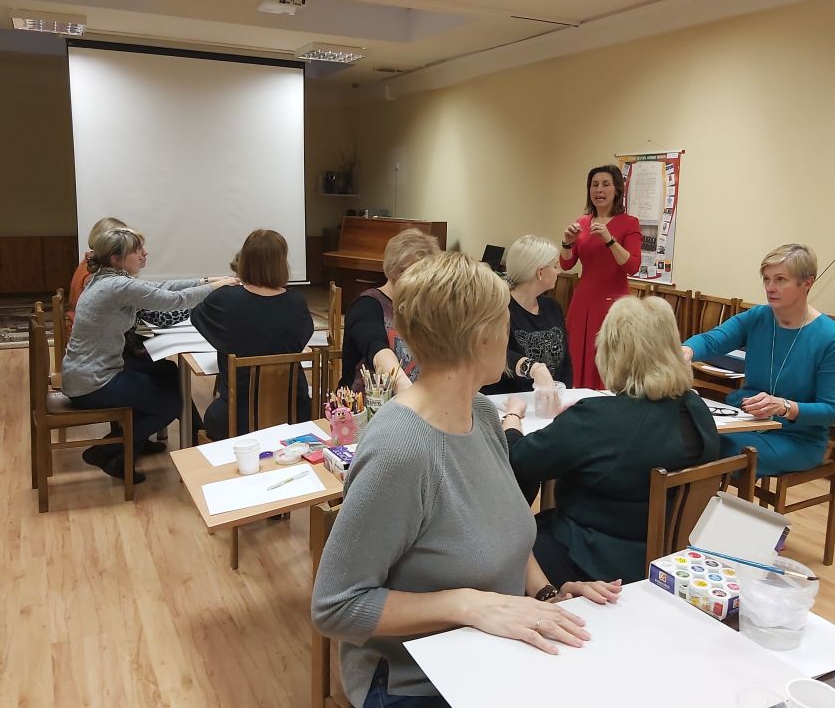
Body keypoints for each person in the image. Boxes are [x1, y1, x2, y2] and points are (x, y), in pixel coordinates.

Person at [312, 252, 622, 708]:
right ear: (481, 339)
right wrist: (469, 605)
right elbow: (336, 606)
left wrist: (548, 595)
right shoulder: (401, 448)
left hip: (492, 655)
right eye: (505, 323)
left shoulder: (481, 413)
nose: (510, 336)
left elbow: (504, 530)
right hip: (417, 681)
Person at [504, 296, 719, 586]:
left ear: (612, 351)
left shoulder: (599, 419)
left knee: (504, 545)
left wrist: (512, 419)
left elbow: (521, 461)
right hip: (673, 556)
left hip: (595, 561)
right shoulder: (696, 408)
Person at [63, 228, 237, 482]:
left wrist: (205, 280)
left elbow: (161, 287)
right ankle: (108, 450)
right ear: (116, 258)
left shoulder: (106, 278)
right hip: (92, 382)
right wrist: (214, 288)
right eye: (137, 251)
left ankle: (142, 444)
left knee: (168, 372)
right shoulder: (117, 285)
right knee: (169, 404)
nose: (144, 254)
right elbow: (172, 300)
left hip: (89, 372)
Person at [682, 243, 835, 477]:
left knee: (717, 447)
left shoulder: (830, 337)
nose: (770, 288)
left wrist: (785, 407)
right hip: (747, 421)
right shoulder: (758, 317)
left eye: (780, 279)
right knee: (687, 434)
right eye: (766, 279)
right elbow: (714, 339)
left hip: (796, 439)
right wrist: (687, 350)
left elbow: (831, 410)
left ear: (807, 283)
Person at [191, 229, 314, 439]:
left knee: (210, 417)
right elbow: (300, 338)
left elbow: (198, 317)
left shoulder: (224, 300)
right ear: (282, 263)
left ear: (244, 261)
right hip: (294, 414)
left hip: (237, 418)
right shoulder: (297, 303)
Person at [560, 164, 642, 389]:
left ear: (617, 190)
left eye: (606, 184)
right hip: (583, 300)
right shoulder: (583, 222)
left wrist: (610, 240)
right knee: (577, 352)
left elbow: (632, 266)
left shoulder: (629, 223)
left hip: (613, 303)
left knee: (608, 356)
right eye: (594, 185)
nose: (599, 190)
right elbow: (566, 263)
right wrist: (567, 243)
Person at [339, 228, 441, 393]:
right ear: (395, 270)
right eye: (413, 273)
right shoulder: (367, 305)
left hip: (414, 400)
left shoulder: (424, 309)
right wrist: (402, 385)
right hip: (367, 404)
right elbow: (376, 348)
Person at [481, 235, 573, 395]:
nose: (558, 272)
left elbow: (565, 361)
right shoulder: (500, 308)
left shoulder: (553, 307)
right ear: (540, 272)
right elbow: (496, 354)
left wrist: (565, 394)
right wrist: (533, 368)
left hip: (551, 400)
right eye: (554, 266)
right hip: (509, 401)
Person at [67, 217, 188, 329]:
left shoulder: (90, 266)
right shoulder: (101, 277)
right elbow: (159, 317)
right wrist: (195, 304)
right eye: (133, 248)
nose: (143, 252)